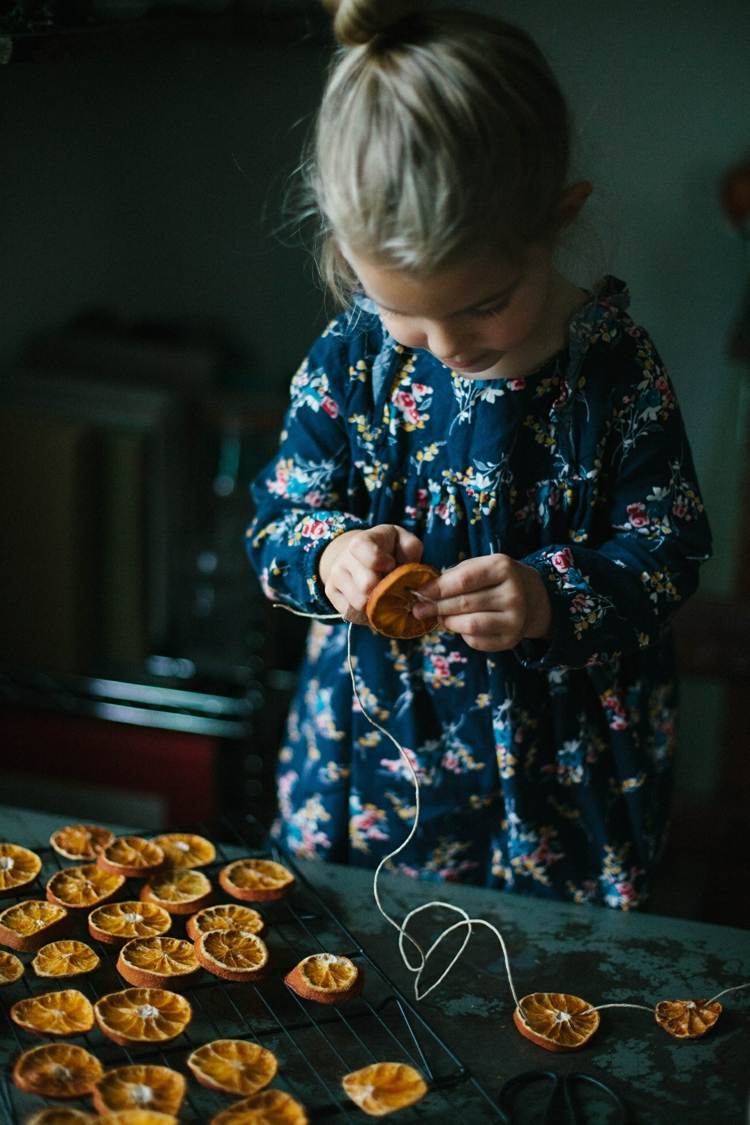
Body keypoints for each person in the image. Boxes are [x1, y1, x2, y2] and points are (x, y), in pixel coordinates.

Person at [246, 0, 712, 909]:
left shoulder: (614, 368)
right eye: (407, 316)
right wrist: (329, 555)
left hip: (567, 793)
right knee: (368, 968)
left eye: (485, 305)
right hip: (373, 773)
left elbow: (670, 549)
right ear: (350, 258)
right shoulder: (350, 361)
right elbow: (277, 526)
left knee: (555, 997)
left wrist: (551, 595)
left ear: (559, 220)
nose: (448, 344)